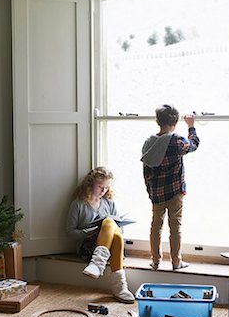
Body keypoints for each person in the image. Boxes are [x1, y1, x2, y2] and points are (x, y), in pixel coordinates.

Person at [141, 104, 200, 271]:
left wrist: (150, 191)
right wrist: (191, 126)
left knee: (156, 226)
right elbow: (193, 145)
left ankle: (155, 260)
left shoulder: (149, 142)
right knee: (175, 227)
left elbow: (146, 171)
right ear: (175, 121)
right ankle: (176, 261)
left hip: (156, 193)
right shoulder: (175, 141)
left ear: (157, 121)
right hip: (175, 192)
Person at [66, 167, 135, 303]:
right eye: (100, 186)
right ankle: (119, 288)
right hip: (88, 246)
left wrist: (110, 228)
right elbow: (70, 232)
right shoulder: (78, 204)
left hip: (108, 249)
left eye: (106, 187)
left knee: (115, 232)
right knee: (109, 222)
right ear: (90, 184)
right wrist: (90, 231)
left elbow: (119, 229)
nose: (104, 190)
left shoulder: (109, 203)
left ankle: (98, 265)